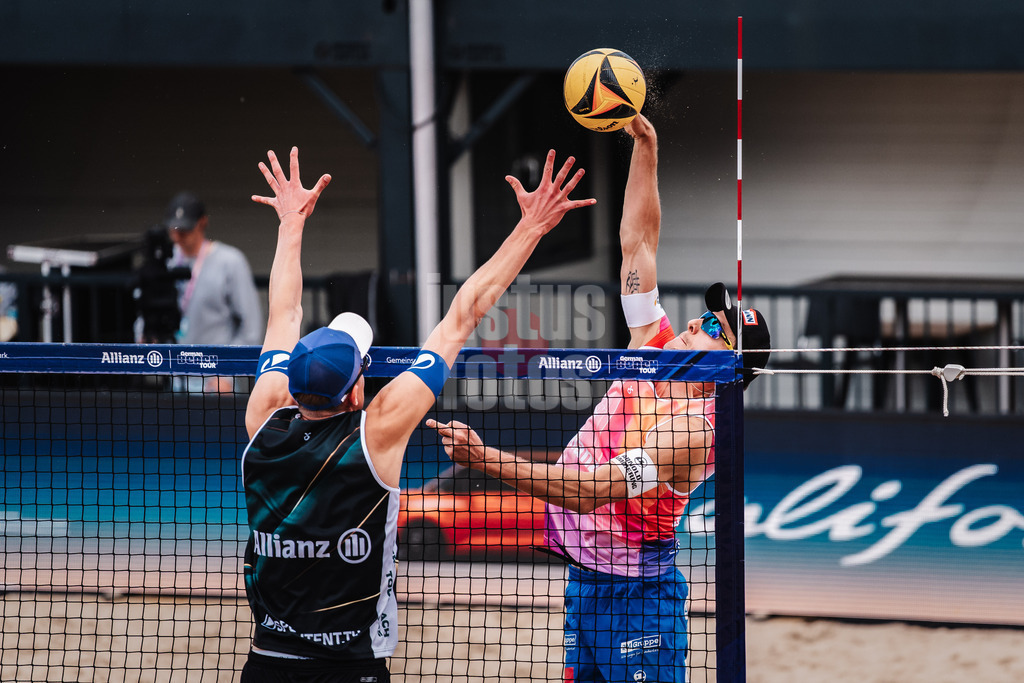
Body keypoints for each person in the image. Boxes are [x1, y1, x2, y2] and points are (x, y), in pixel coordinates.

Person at [428, 114, 771, 683]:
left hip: (636, 595)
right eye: (707, 311)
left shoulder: (697, 428)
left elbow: (591, 492)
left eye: (714, 324)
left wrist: (484, 459)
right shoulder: (654, 344)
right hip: (584, 582)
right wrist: (646, 148)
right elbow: (638, 244)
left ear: (729, 364)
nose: (695, 319)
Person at [240, 146, 595, 683]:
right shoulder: (378, 431)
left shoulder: (264, 415)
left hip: (266, 664)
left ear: (291, 379)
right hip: (351, 668)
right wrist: (532, 227)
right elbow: (463, 316)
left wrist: (291, 223)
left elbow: (283, 311)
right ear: (357, 391)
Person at [162, 190, 263, 391]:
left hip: (216, 379)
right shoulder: (165, 261)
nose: (177, 237)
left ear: (202, 223)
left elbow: (252, 325)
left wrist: (228, 373)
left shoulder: (230, 261)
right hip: (174, 376)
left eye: (184, 230)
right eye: (173, 230)